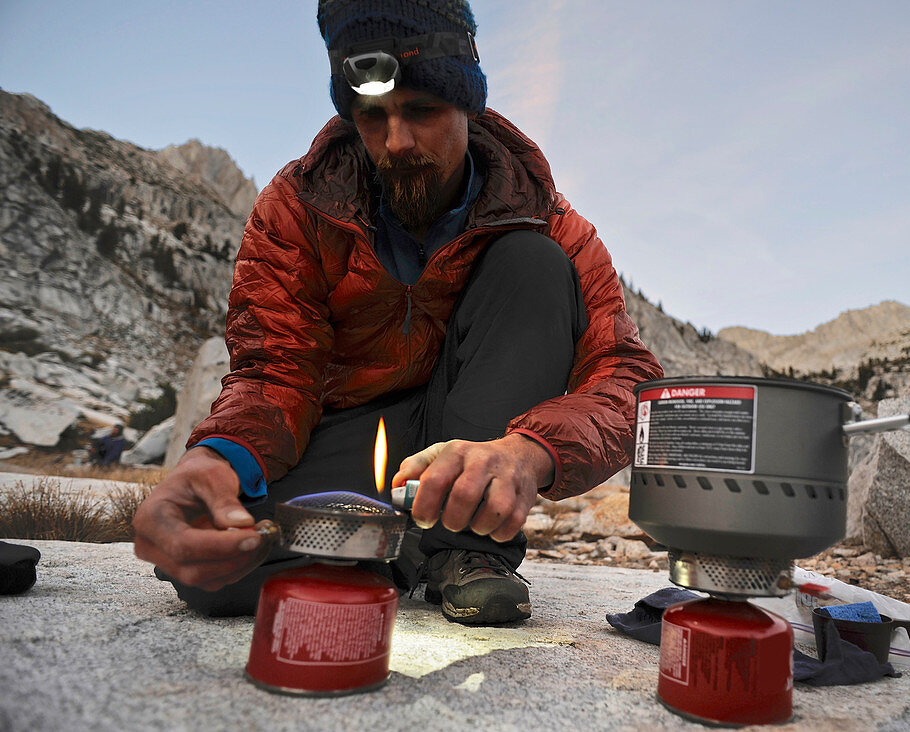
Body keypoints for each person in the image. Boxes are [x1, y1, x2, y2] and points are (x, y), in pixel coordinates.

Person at [132, 0, 662, 625]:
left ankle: (466, 552)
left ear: (469, 104)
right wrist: (218, 457)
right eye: (372, 116)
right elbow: (275, 371)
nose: (396, 141)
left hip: (473, 439)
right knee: (215, 566)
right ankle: (402, 548)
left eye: (422, 111)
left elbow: (627, 381)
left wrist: (528, 453)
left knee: (532, 262)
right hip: (349, 438)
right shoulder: (297, 209)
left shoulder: (553, 222)